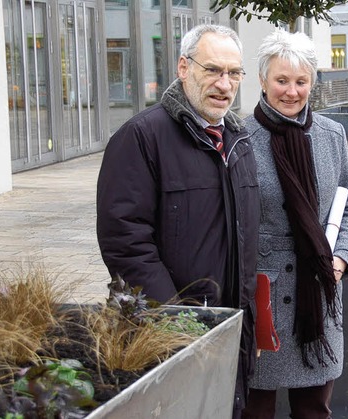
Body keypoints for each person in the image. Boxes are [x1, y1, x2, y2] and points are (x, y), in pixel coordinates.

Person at [96, 24, 259, 418]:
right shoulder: (141, 137)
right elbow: (126, 242)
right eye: (213, 70)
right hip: (175, 336)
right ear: (183, 68)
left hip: (231, 330)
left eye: (234, 73)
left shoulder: (238, 140)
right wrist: (174, 321)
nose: (225, 84)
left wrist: (248, 319)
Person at [241, 30, 348, 419]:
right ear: (262, 80)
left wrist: (341, 258)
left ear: (313, 82)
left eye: (301, 81)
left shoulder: (331, 135)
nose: (291, 92)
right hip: (263, 297)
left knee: (314, 409)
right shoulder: (240, 138)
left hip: (318, 296)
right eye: (281, 80)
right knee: (253, 409)